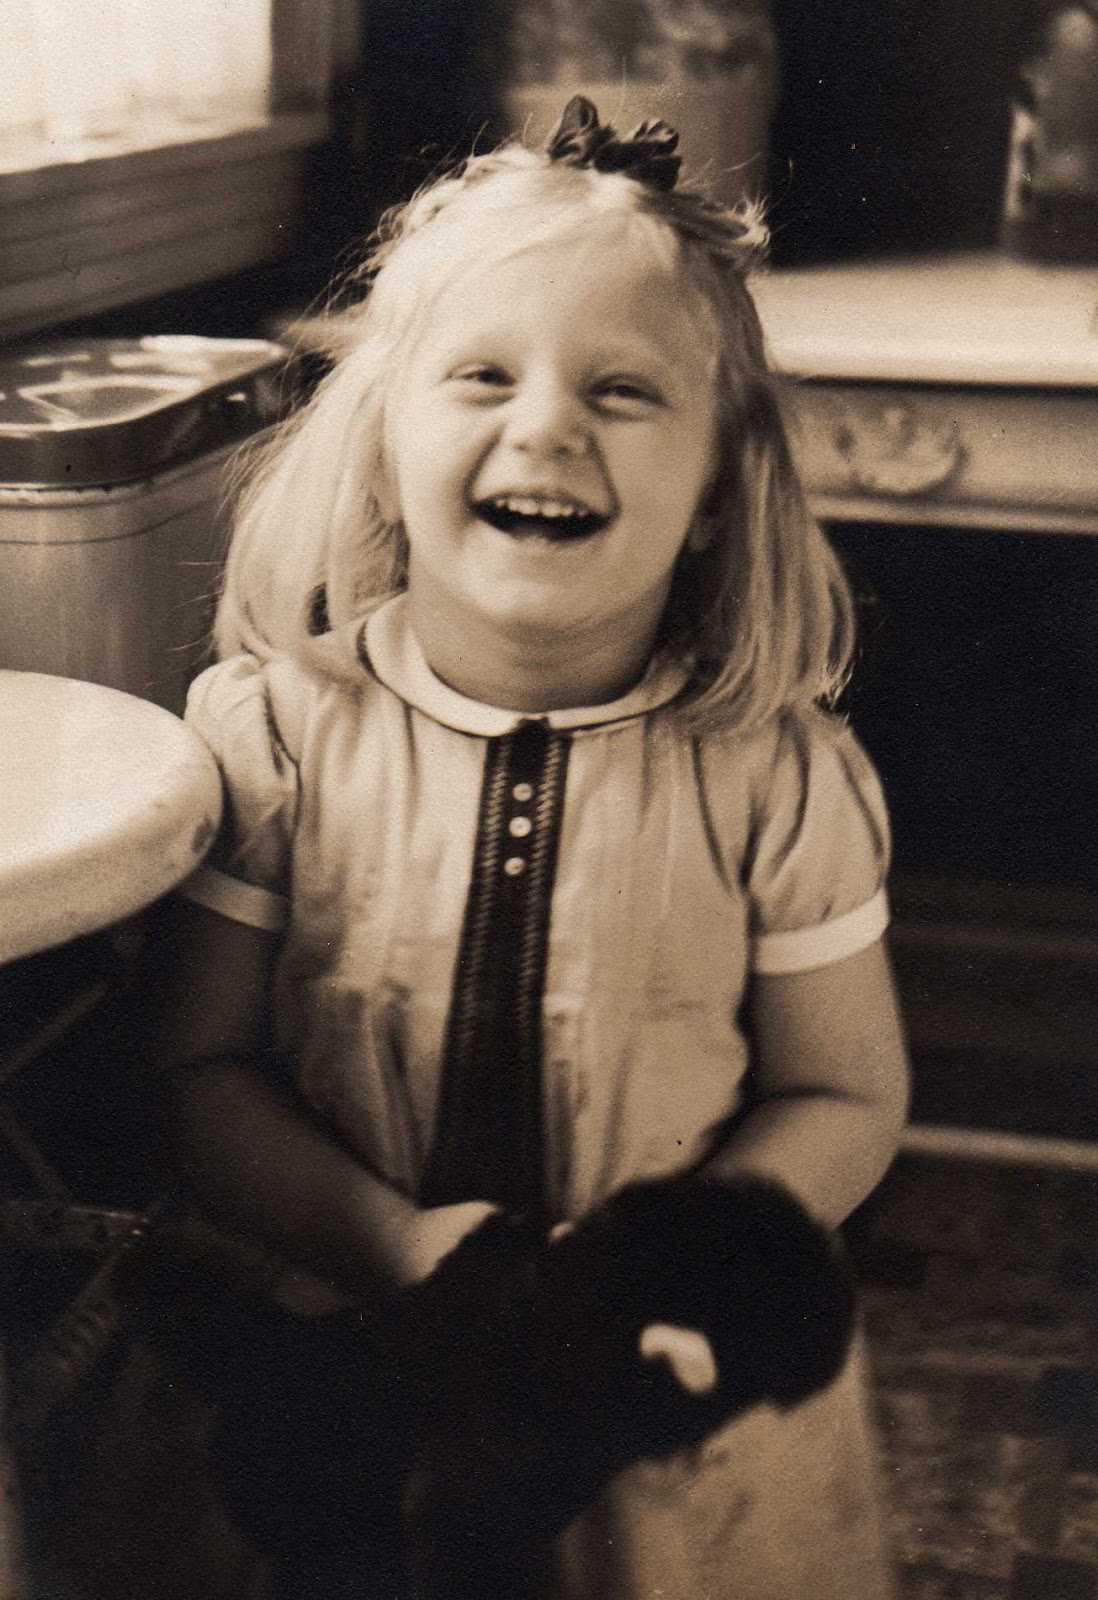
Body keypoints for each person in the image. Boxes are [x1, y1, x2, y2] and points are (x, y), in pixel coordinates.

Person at [150, 95, 909, 1600]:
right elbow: (196, 1072)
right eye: (483, 376)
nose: (547, 425)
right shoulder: (275, 737)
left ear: (717, 487)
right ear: (383, 448)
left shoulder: (775, 774)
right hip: (337, 1345)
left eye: (623, 391)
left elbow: (845, 1092)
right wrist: (395, 1248)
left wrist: (646, 1276)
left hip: (652, 1389)